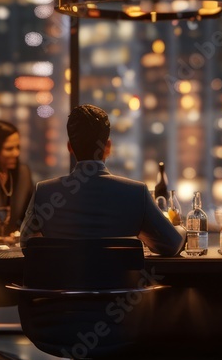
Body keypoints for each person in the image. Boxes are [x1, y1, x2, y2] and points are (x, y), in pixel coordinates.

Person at [19, 104, 184, 256]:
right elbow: (172, 245)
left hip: (63, 287)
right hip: (122, 288)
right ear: (108, 147)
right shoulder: (136, 193)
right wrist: (180, 229)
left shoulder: (44, 192)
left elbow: (26, 244)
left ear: (70, 148)